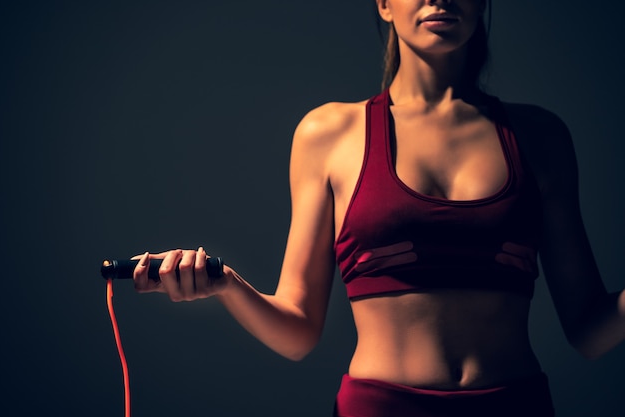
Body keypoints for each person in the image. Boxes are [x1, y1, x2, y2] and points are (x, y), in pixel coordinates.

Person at [132, 1, 625, 416]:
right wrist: (223, 284)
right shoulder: (328, 134)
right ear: (384, 2)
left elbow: (588, 329)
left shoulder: (541, 137)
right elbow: (298, 330)